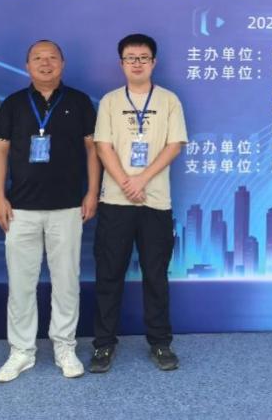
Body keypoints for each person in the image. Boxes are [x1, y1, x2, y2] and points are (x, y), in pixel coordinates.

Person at [0, 40, 99, 381]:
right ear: (27, 66)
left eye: (52, 57)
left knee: (66, 282)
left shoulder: (79, 102)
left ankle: (65, 346)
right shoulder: (13, 104)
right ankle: (21, 351)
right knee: (21, 284)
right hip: (20, 209)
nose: (45, 63)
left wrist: (92, 192)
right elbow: (0, 152)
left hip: (68, 208)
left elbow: (92, 150)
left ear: (62, 64)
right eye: (38, 58)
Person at [90, 33, 187, 373]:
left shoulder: (169, 100)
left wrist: (141, 179)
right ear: (121, 63)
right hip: (115, 201)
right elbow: (103, 146)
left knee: (156, 276)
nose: (137, 63)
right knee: (109, 275)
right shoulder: (110, 101)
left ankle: (160, 342)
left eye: (143, 57)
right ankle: (103, 344)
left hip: (155, 202)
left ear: (153, 62)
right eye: (130, 58)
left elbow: (174, 145)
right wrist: (126, 183)